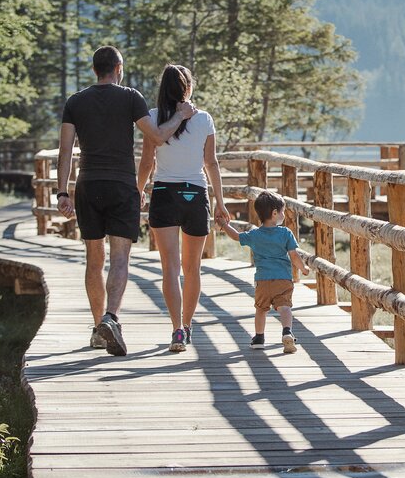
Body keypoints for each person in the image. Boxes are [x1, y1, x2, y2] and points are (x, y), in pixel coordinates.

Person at [57, 46, 197, 356]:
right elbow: (158, 136)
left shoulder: (75, 102)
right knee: (120, 258)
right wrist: (181, 115)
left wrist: (62, 192)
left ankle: (98, 329)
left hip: (87, 184)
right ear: (118, 68)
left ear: (95, 70)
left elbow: (65, 151)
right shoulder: (131, 97)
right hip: (121, 186)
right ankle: (111, 318)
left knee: (95, 258)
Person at [137, 64, 229, 353]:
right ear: (188, 88)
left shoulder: (153, 119)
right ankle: (187, 327)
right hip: (195, 195)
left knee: (170, 268)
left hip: (164, 194)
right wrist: (220, 203)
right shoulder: (204, 120)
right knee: (192, 269)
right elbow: (211, 163)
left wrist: (138, 190)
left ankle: (176, 328)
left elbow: (147, 160)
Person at [218, 189, 308, 352]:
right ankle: (287, 332)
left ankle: (259, 337)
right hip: (283, 280)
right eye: (282, 211)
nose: (283, 215)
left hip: (263, 280)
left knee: (261, 309)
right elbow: (294, 255)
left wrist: (225, 225)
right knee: (285, 307)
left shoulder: (255, 235)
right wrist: (304, 268)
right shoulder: (285, 233)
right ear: (275, 213)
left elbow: (237, 236)